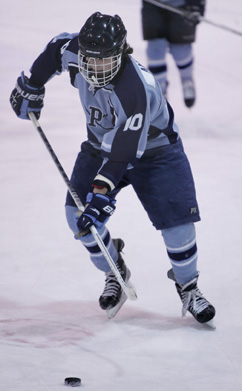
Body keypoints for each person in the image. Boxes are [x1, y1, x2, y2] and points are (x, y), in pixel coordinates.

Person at [10, 11, 215, 324]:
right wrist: (33, 86)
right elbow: (54, 50)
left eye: (104, 60)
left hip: (157, 151)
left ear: (121, 52)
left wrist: (101, 192)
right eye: (90, 59)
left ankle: (188, 286)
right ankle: (114, 269)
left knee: (178, 227)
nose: (95, 68)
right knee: (78, 217)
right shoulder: (76, 52)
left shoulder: (137, 87)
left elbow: (124, 151)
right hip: (100, 145)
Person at [141, 0, 206, 107]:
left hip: (183, 5)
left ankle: (187, 79)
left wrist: (197, 4)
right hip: (152, 4)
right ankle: (159, 91)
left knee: (181, 51)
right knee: (155, 51)